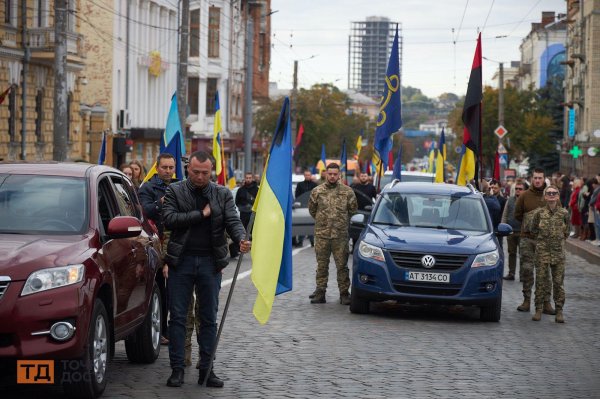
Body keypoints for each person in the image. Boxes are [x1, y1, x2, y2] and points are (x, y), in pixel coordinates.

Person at [162, 151, 250, 388]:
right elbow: (169, 219)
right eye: (195, 172)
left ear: (212, 172)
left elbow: (232, 221)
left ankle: (207, 370)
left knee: (209, 318)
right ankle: (177, 369)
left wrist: (241, 237)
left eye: (205, 173)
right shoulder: (175, 191)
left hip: (211, 263)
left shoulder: (221, 193)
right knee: (178, 318)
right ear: (188, 169)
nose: (200, 177)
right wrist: (201, 214)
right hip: (181, 262)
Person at [138, 153, 178, 347]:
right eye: (165, 168)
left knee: (174, 291)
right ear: (157, 167)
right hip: (156, 243)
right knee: (160, 290)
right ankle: (161, 330)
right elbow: (143, 212)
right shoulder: (148, 187)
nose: (168, 171)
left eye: (171, 168)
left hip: (176, 243)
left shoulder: (180, 186)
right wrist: (160, 203)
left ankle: (172, 329)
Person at [308, 163, 357, 305]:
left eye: (335, 174)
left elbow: (353, 210)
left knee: (342, 266)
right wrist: (323, 222)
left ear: (339, 175)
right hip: (322, 235)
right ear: (325, 174)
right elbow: (312, 210)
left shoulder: (348, 192)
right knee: (322, 265)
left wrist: (339, 222)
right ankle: (320, 292)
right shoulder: (317, 191)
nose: (332, 176)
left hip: (340, 236)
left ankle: (344, 293)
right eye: (330, 174)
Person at [514, 168, 554, 315]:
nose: (537, 180)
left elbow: (558, 213)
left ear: (544, 179)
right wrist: (529, 224)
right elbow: (517, 215)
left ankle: (546, 303)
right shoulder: (524, 196)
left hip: (544, 240)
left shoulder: (550, 195)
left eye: (540, 178)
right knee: (527, 270)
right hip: (527, 239)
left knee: (544, 272)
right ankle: (526, 300)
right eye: (535, 178)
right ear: (532, 179)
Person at [530, 185, 569, 323]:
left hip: (558, 254)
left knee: (558, 283)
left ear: (558, 196)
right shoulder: (539, 213)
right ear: (545, 197)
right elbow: (533, 230)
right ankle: (538, 309)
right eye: (549, 193)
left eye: (554, 193)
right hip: (542, 253)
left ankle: (559, 311)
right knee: (541, 281)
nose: (552, 195)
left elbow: (567, 232)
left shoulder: (564, 213)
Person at [501, 180, 524, 280]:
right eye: (516, 189)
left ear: (524, 190)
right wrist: (503, 226)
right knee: (511, 253)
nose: (518, 190)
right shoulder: (509, 200)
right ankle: (511, 273)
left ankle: (523, 275)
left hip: (523, 232)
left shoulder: (526, 200)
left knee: (523, 254)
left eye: (520, 189)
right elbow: (505, 214)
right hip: (511, 231)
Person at [294, 169, 317, 247]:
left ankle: (312, 241)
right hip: (302, 207)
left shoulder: (314, 185)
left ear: (311, 176)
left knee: (311, 224)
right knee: (302, 223)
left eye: (309, 175)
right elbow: (297, 195)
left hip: (312, 207)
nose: (307, 176)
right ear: (304, 176)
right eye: (306, 175)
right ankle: (300, 241)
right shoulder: (300, 185)